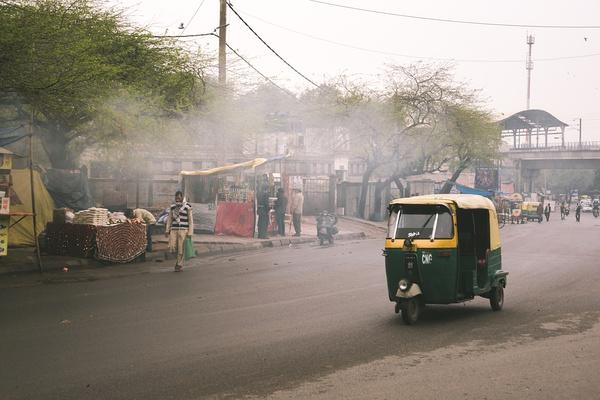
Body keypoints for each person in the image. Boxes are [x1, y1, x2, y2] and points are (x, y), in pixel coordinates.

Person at [165, 190, 193, 272]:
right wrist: (167, 230)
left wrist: (190, 232)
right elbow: (169, 219)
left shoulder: (187, 206)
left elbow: (190, 221)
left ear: (182, 197)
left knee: (181, 248)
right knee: (172, 246)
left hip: (183, 231)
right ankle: (178, 260)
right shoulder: (173, 207)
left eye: (179, 196)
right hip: (173, 230)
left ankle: (179, 264)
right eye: (176, 196)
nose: (177, 198)